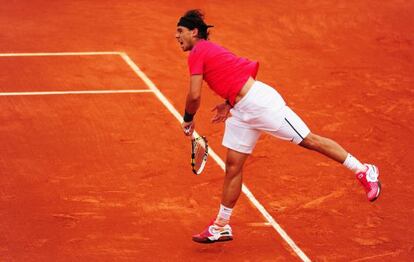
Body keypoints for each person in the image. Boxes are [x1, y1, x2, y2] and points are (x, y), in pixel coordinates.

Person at [175, 9, 381, 244]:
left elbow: (194, 95)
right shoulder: (206, 51)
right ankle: (221, 226)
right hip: (241, 111)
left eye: (180, 31)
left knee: (308, 140)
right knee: (233, 167)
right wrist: (229, 104)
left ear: (194, 32)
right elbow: (231, 74)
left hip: (261, 104)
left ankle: (364, 170)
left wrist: (189, 118)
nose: (177, 36)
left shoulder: (198, 51)